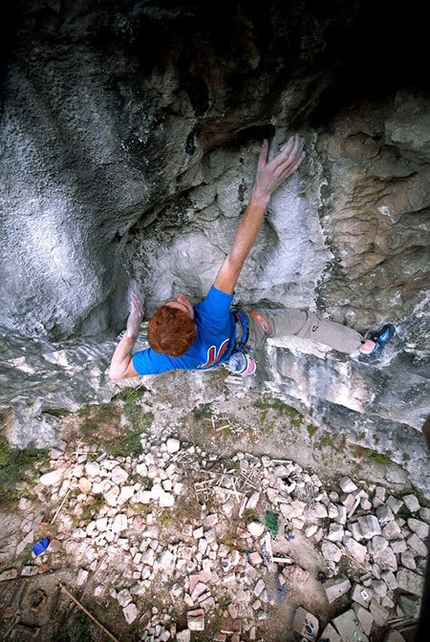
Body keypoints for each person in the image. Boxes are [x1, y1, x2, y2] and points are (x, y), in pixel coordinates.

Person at [109, 134, 395, 381]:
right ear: (194, 326)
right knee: (306, 323)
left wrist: (132, 329)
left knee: (223, 353)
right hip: (249, 329)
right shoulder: (212, 317)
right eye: (184, 307)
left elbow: (116, 373)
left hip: (216, 352)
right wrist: (261, 192)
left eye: (172, 302)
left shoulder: (168, 358)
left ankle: (233, 361)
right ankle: (364, 347)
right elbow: (235, 258)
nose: (182, 297)